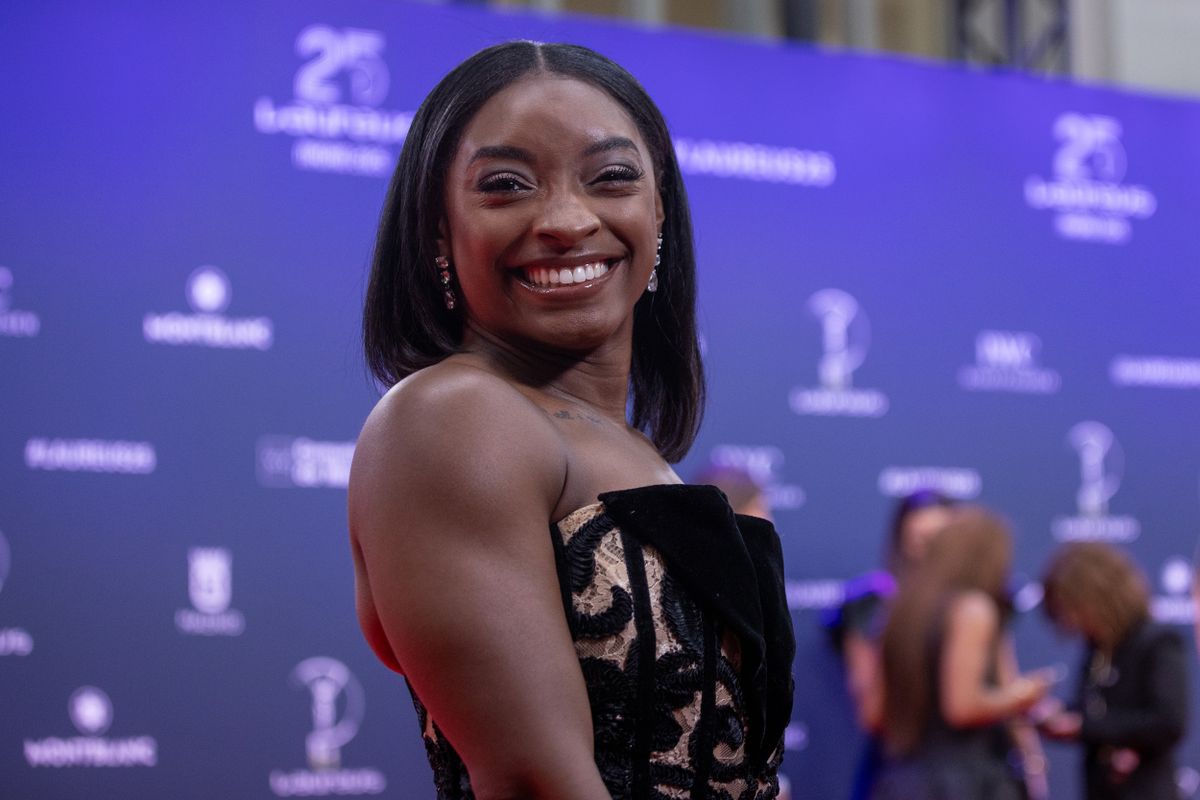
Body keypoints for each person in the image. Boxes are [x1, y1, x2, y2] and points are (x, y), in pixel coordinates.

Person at [348, 41, 795, 800]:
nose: (565, 219)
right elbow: (532, 780)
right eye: (506, 185)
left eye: (612, 176)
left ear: (657, 208)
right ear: (436, 232)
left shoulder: (629, 448)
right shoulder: (452, 418)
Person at [872, 507, 1052, 800]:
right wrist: (1024, 694)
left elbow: (875, 710)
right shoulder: (972, 608)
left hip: (903, 778)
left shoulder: (902, 609)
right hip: (966, 781)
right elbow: (962, 708)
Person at [822, 490, 955, 800]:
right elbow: (871, 707)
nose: (929, 550)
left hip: (973, 768)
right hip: (904, 766)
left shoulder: (975, 604)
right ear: (902, 539)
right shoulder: (875, 602)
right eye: (920, 538)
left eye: (940, 539)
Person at [1038, 542, 1188, 799]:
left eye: (1072, 611)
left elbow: (1168, 721)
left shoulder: (1158, 641)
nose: (1070, 623)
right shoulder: (1098, 646)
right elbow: (1098, 708)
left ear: (1099, 598)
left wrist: (1083, 727)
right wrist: (1058, 714)